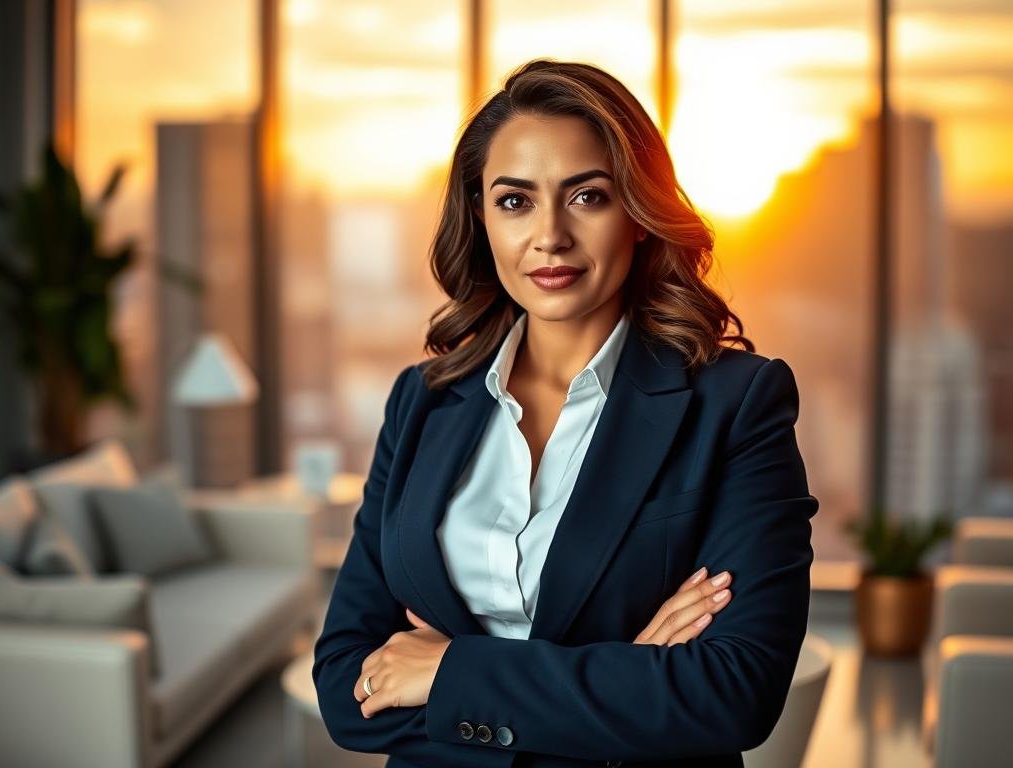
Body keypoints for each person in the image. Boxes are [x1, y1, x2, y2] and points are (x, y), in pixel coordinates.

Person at [312, 58, 819, 768]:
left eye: (587, 196)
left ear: (638, 215)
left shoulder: (735, 403)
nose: (549, 235)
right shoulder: (421, 402)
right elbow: (346, 692)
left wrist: (452, 673)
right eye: (514, 201)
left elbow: (734, 692)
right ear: (481, 219)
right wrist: (624, 676)